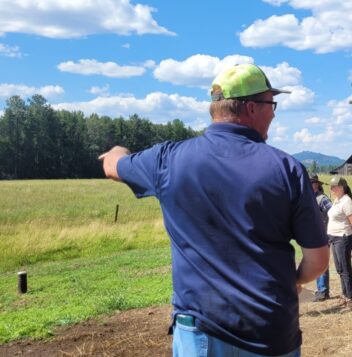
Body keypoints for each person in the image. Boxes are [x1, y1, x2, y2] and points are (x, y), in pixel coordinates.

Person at [98, 63, 329, 356]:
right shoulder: (287, 168)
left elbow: (112, 166)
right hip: (269, 330)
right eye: (272, 104)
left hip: (200, 331)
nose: (274, 112)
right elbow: (318, 260)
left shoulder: (167, 160)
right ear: (251, 108)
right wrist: (293, 280)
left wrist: (117, 151)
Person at [326, 175, 352, 312]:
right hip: (334, 237)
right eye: (331, 187)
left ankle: (351, 299)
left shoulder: (346, 201)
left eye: (334, 187)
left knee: (345, 269)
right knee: (340, 268)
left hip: (343, 237)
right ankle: (345, 295)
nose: (332, 189)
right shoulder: (337, 200)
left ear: (341, 187)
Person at [311, 173, 334, 302]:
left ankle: (323, 291)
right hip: (313, 236)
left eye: (312, 183)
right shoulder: (310, 198)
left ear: (317, 184)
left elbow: (333, 214)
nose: (310, 185)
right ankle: (321, 289)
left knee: (321, 263)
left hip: (322, 235)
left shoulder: (322, 199)